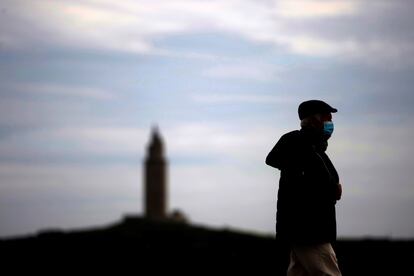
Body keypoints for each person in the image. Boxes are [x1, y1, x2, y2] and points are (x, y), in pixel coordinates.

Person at [265, 100, 342, 276]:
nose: (330, 123)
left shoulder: (315, 148)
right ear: (314, 120)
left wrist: (331, 188)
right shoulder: (297, 141)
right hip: (310, 228)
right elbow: (275, 160)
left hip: (308, 228)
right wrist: (330, 188)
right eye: (327, 118)